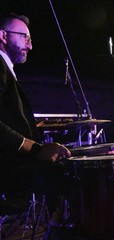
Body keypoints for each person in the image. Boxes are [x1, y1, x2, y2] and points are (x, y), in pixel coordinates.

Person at [0, 12, 71, 214]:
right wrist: (36, 149)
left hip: (12, 160)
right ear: (3, 36)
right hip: (8, 166)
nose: (30, 46)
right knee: (70, 172)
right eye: (24, 37)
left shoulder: (5, 68)